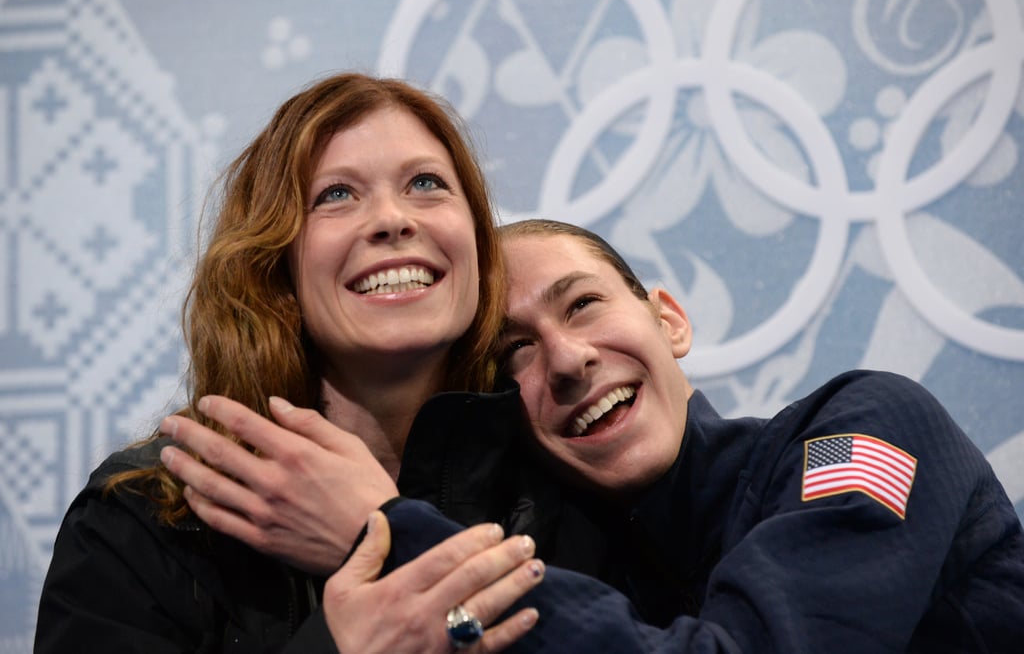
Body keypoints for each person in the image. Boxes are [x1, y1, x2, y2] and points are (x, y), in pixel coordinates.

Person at [165, 216, 1024, 652]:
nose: (567, 360)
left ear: (670, 320)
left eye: (584, 304)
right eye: (515, 357)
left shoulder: (862, 427)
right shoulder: (575, 570)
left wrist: (383, 532)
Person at [34, 72, 549, 653]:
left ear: (478, 240)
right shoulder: (142, 522)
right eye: (336, 194)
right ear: (275, 265)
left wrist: (384, 537)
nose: (392, 219)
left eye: (425, 183)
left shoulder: (563, 480)